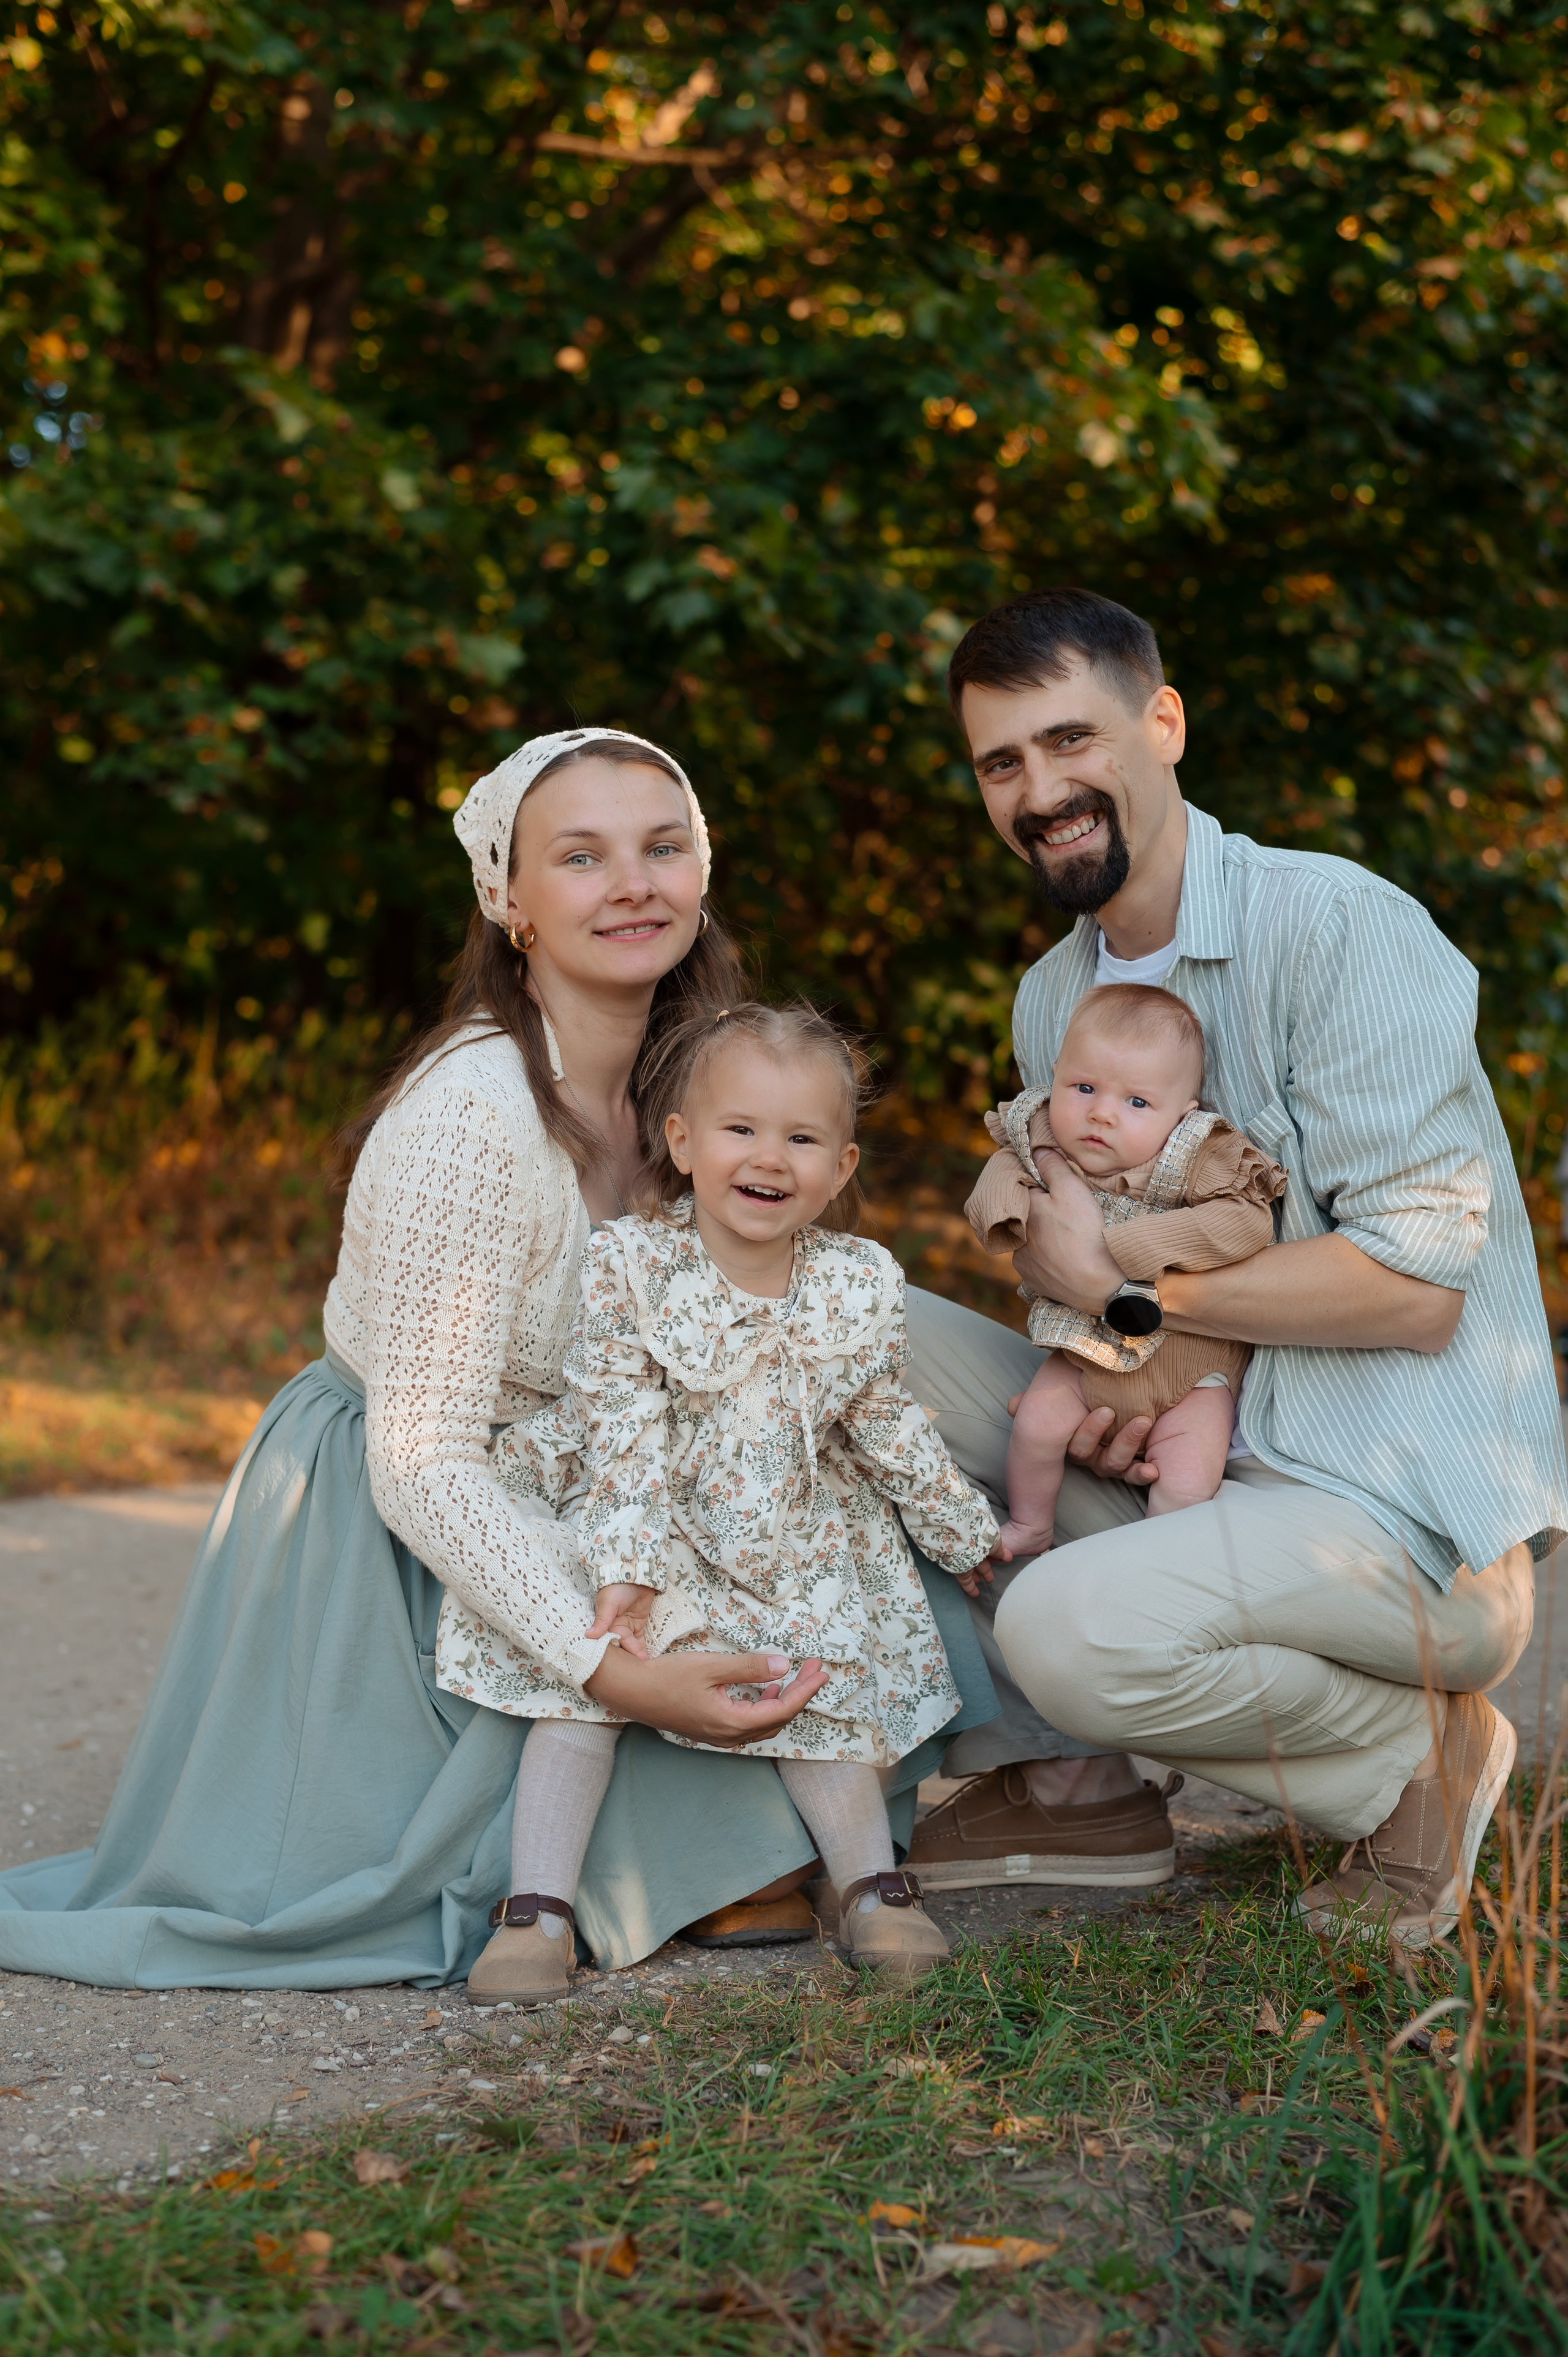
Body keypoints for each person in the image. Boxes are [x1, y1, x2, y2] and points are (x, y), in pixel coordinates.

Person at [0, 728, 997, 1989]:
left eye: (661, 846)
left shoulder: (701, 1072)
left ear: (701, 870)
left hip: (610, 1472)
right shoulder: (467, 1122)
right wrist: (616, 1666)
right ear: (510, 903)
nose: (632, 882)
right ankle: (651, 1850)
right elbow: (421, 1467)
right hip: (410, 1515)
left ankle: (1016, 1756)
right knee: (673, 1702)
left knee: (858, 1542)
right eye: (580, 856)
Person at [902, 588, 1568, 1946]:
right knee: (840, 1324)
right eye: (1001, 762)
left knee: (1067, 1629)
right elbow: (1071, 1262)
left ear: (1163, 725)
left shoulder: (1336, 928)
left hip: (1392, 1515)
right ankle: (1088, 1787)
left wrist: (1127, 1300)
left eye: (1069, 740)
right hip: (1195, 1461)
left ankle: (1415, 1763)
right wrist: (1103, 1365)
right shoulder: (1056, 999)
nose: (1039, 790)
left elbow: (1416, 1289)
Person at [455, 1002, 998, 2002]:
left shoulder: (857, 1281)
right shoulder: (634, 1261)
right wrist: (627, 1564)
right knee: (591, 1674)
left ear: (840, 1167)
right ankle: (537, 1908)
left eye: (801, 1138)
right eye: (741, 1129)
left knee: (822, 1671)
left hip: (788, 1526)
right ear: (685, 1142)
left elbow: (885, 1418)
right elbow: (618, 1415)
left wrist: (959, 1526)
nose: (768, 1157)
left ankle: (870, 1885)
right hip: (645, 1510)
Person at [966, 983, 1285, 1559]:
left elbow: (1247, 1224)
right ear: (1057, 1075)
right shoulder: (1041, 1139)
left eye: (1137, 1102)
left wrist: (1136, 1246)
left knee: (1188, 1477)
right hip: (1085, 1352)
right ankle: (1031, 1524)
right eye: (1083, 1087)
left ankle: (1152, 1565)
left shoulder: (1197, 1154)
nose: (1101, 1113)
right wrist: (1009, 1219)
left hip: (1194, 1370)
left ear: (1184, 1114)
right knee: (1037, 1424)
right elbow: (999, 1179)